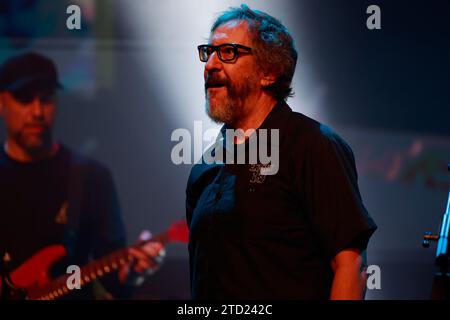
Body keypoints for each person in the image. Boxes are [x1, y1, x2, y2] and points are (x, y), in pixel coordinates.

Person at [186, 5, 377, 300]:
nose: (210, 64)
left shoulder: (313, 145)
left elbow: (349, 266)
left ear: (270, 72)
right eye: (208, 52)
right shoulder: (204, 167)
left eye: (228, 52)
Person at [0, 52, 164, 299]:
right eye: (24, 99)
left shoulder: (90, 177)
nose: (37, 111)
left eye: (46, 99)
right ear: (2, 102)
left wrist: (132, 273)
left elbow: (114, 278)